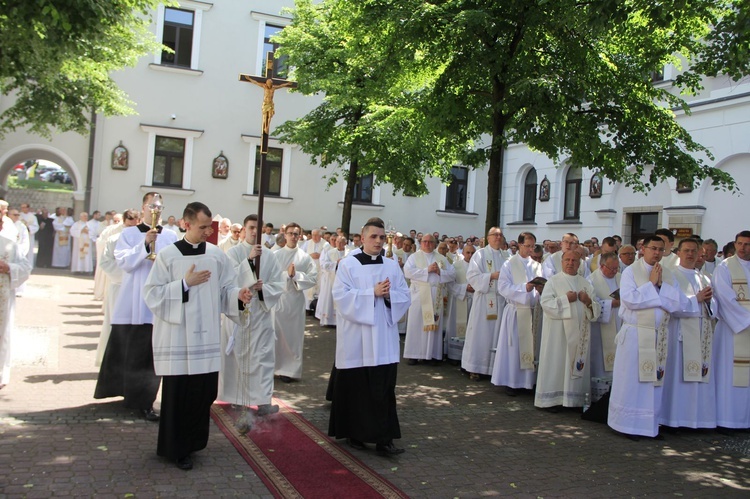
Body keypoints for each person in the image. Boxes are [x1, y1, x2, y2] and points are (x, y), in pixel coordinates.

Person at [144, 202, 252, 470]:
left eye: (209, 227)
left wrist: (237, 295)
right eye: (202, 227)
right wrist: (184, 285)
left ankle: (193, 443)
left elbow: (226, 287)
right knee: (179, 395)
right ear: (186, 224)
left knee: (203, 393)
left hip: (206, 338)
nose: (207, 232)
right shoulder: (169, 256)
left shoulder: (216, 255)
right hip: (178, 339)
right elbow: (152, 294)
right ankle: (175, 449)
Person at [328, 218, 410, 455]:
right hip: (357, 339)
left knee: (384, 389)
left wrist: (387, 297)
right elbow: (341, 298)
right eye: (373, 237)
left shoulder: (392, 266)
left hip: (383, 339)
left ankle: (385, 439)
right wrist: (370, 293)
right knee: (358, 389)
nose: (378, 241)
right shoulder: (348, 265)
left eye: (382, 237)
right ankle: (356, 434)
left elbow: (404, 295)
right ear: (362, 238)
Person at [94, 192, 178, 421]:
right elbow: (124, 262)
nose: (155, 210)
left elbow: (175, 264)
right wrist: (144, 244)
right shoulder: (130, 233)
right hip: (133, 300)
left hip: (157, 303)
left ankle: (144, 401)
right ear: (142, 208)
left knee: (150, 355)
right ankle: (126, 394)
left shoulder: (170, 236)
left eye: (159, 207)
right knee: (129, 350)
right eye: (151, 206)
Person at [608, 236, 683, 439]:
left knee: (652, 383)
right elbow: (630, 300)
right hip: (635, 334)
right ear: (643, 249)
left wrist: (658, 287)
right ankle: (626, 425)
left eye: (661, 249)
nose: (657, 253)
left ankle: (649, 426)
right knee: (632, 382)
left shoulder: (666, 274)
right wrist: (651, 285)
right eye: (653, 248)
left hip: (658, 336)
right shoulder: (631, 271)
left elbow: (676, 304)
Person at [219, 214, 285, 429]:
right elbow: (227, 281)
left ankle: (263, 400)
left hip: (261, 312)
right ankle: (239, 398)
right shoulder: (233, 253)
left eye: (259, 228)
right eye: (251, 227)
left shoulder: (270, 256)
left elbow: (278, 282)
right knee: (240, 354)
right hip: (240, 312)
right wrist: (248, 262)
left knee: (264, 356)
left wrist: (263, 288)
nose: (255, 231)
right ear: (244, 229)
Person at [660, 238, 717, 429]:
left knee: (700, 378)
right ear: (679, 253)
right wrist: (697, 299)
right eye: (686, 250)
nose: (690, 254)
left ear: (700, 252)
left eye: (694, 251)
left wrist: (709, 303)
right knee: (679, 380)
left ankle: (696, 420)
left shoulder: (704, 277)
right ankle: (675, 420)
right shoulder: (671, 276)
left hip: (701, 334)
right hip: (680, 335)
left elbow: (714, 306)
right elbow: (671, 305)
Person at [535, 251, 601, 410]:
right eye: (567, 260)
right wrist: (565, 300)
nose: (570, 263)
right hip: (557, 336)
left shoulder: (586, 283)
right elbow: (546, 304)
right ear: (562, 262)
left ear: (579, 264)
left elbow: (596, 311)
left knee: (575, 365)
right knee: (557, 363)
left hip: (579, 335)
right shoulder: (553, 281)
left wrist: (588, 302)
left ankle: (575, 400)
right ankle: (552, 400)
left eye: (574, 260)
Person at [491, 232, 544, 394]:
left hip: (533, 312)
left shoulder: (537, 265)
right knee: (514, 348)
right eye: (527, 246)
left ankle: (528, 382)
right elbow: (503, 288)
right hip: (515, 312)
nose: (530, 249)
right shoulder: (509, 264)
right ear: (519, 245)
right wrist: (524, 288)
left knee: (531, 346)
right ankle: (512, 382)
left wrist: (541, 289)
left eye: (532, 246)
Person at [712, 230, 750, 431]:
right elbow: (725, 299)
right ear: (734, 244)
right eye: (740, 243)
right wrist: (747, 320)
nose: (743, 248)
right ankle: (727, 420)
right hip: (731, 330)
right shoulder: (725, 268)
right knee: (729, 375)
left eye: (747, 244)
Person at [273, 222, 318, 382]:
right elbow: (268, 277)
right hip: (279, 300)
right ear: (284, 235)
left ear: (300, 236)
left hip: (295, 300)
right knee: (276, 336)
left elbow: (313, 278)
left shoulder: (304, 257)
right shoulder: (275, 255)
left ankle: (289, 370)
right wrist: (287, 275)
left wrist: (296, 276)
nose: (293, 236)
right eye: (290, 233)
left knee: (293, 337)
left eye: (296, 234)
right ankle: (275, 367)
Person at [461, 228, 508, 379]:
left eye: (500, 235)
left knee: (496, 334)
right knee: (480, 334)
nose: (498, 237)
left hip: (500, 300)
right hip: (484, 299)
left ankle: (493, 367)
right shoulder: (479, 254)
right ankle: (474, 367)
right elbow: (472, 276)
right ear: (488, 238)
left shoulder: (506, 256)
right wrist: (491, 276)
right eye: (495, 235)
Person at [403, 233, 456, 364]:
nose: (427, 244)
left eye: (430, 242)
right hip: (419, 295)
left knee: (434, 324)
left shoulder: (442, 258)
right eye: (425, 241)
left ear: (435, 244)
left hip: (435, 295)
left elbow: (453, 274)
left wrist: (440, 272)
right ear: (420, 243)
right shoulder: (414, 257)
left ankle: (433, 354)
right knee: (416, 323)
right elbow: (407, 272)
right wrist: (427, 270)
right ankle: (414, 354)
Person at [94, 211, 135, 367]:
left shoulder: (139, 242)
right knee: (113, 324)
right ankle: (109, 360)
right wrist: (125, 275)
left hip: (134, 288)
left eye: (133, 225)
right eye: (127, 224)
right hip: (118, 287)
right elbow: (105, 263)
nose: (130, 228)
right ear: (122, 223)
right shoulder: (113, 239)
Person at [0, 215, 32, 389]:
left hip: (2, 296)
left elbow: (26, 267)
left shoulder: (9, 245)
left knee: (2, 332)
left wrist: (9, 268)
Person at [588, 252, 622, 380]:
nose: (614, 271)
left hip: (619, 322)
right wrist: (611, 303)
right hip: (600, 328)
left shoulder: (621, 277)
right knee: (600, 360)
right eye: (611, 268)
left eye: (616, 268)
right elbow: (591, 303)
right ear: (602, 266)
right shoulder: (591, 280)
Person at [316, 236, 349, 326]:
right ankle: (329, 320)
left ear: (345, 243)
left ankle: (341, 320)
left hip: (345, 281)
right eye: (337, 241)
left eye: (341, 242)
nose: (338, 243)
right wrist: (336, 263)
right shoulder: (330, 252)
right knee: (330, 299)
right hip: (332, 280)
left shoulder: (349, 253)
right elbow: (323, 264)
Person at [302, 228, 328, 312]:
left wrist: (321, 255)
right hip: (310, 269)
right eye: (313, 235)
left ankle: (317, 309)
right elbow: (301, 254)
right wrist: (310, 255)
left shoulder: (326, 244)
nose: (314, 237)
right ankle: (307, 308)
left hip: (321, 271)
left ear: (320, 235)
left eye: (316, 235)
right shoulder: (307, 243)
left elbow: (328, 255)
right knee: (308, 289)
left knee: (320, 288)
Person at [18, 203, 39, 268]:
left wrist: (29, 228)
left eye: (24, 207)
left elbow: (36, 226)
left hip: (29, 236)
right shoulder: (18, 216)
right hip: (20, 236)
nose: (23, 209)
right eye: (22, 207)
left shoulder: (33, 217)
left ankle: (29, 266)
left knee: (29, 250)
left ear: (28, 208)